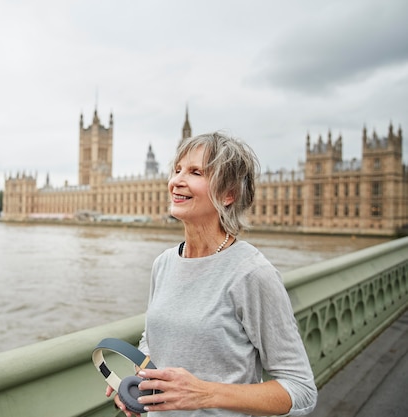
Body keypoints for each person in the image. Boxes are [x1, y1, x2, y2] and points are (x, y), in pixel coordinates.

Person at [106, 132, 317, 416]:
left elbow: (301, 390)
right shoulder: (164, 263)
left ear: (228, 194)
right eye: (177, 170)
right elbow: (154, 341)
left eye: (195, 172)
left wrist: (204, 394)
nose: (177, 180)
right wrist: (136, 383)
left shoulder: (252, 273)